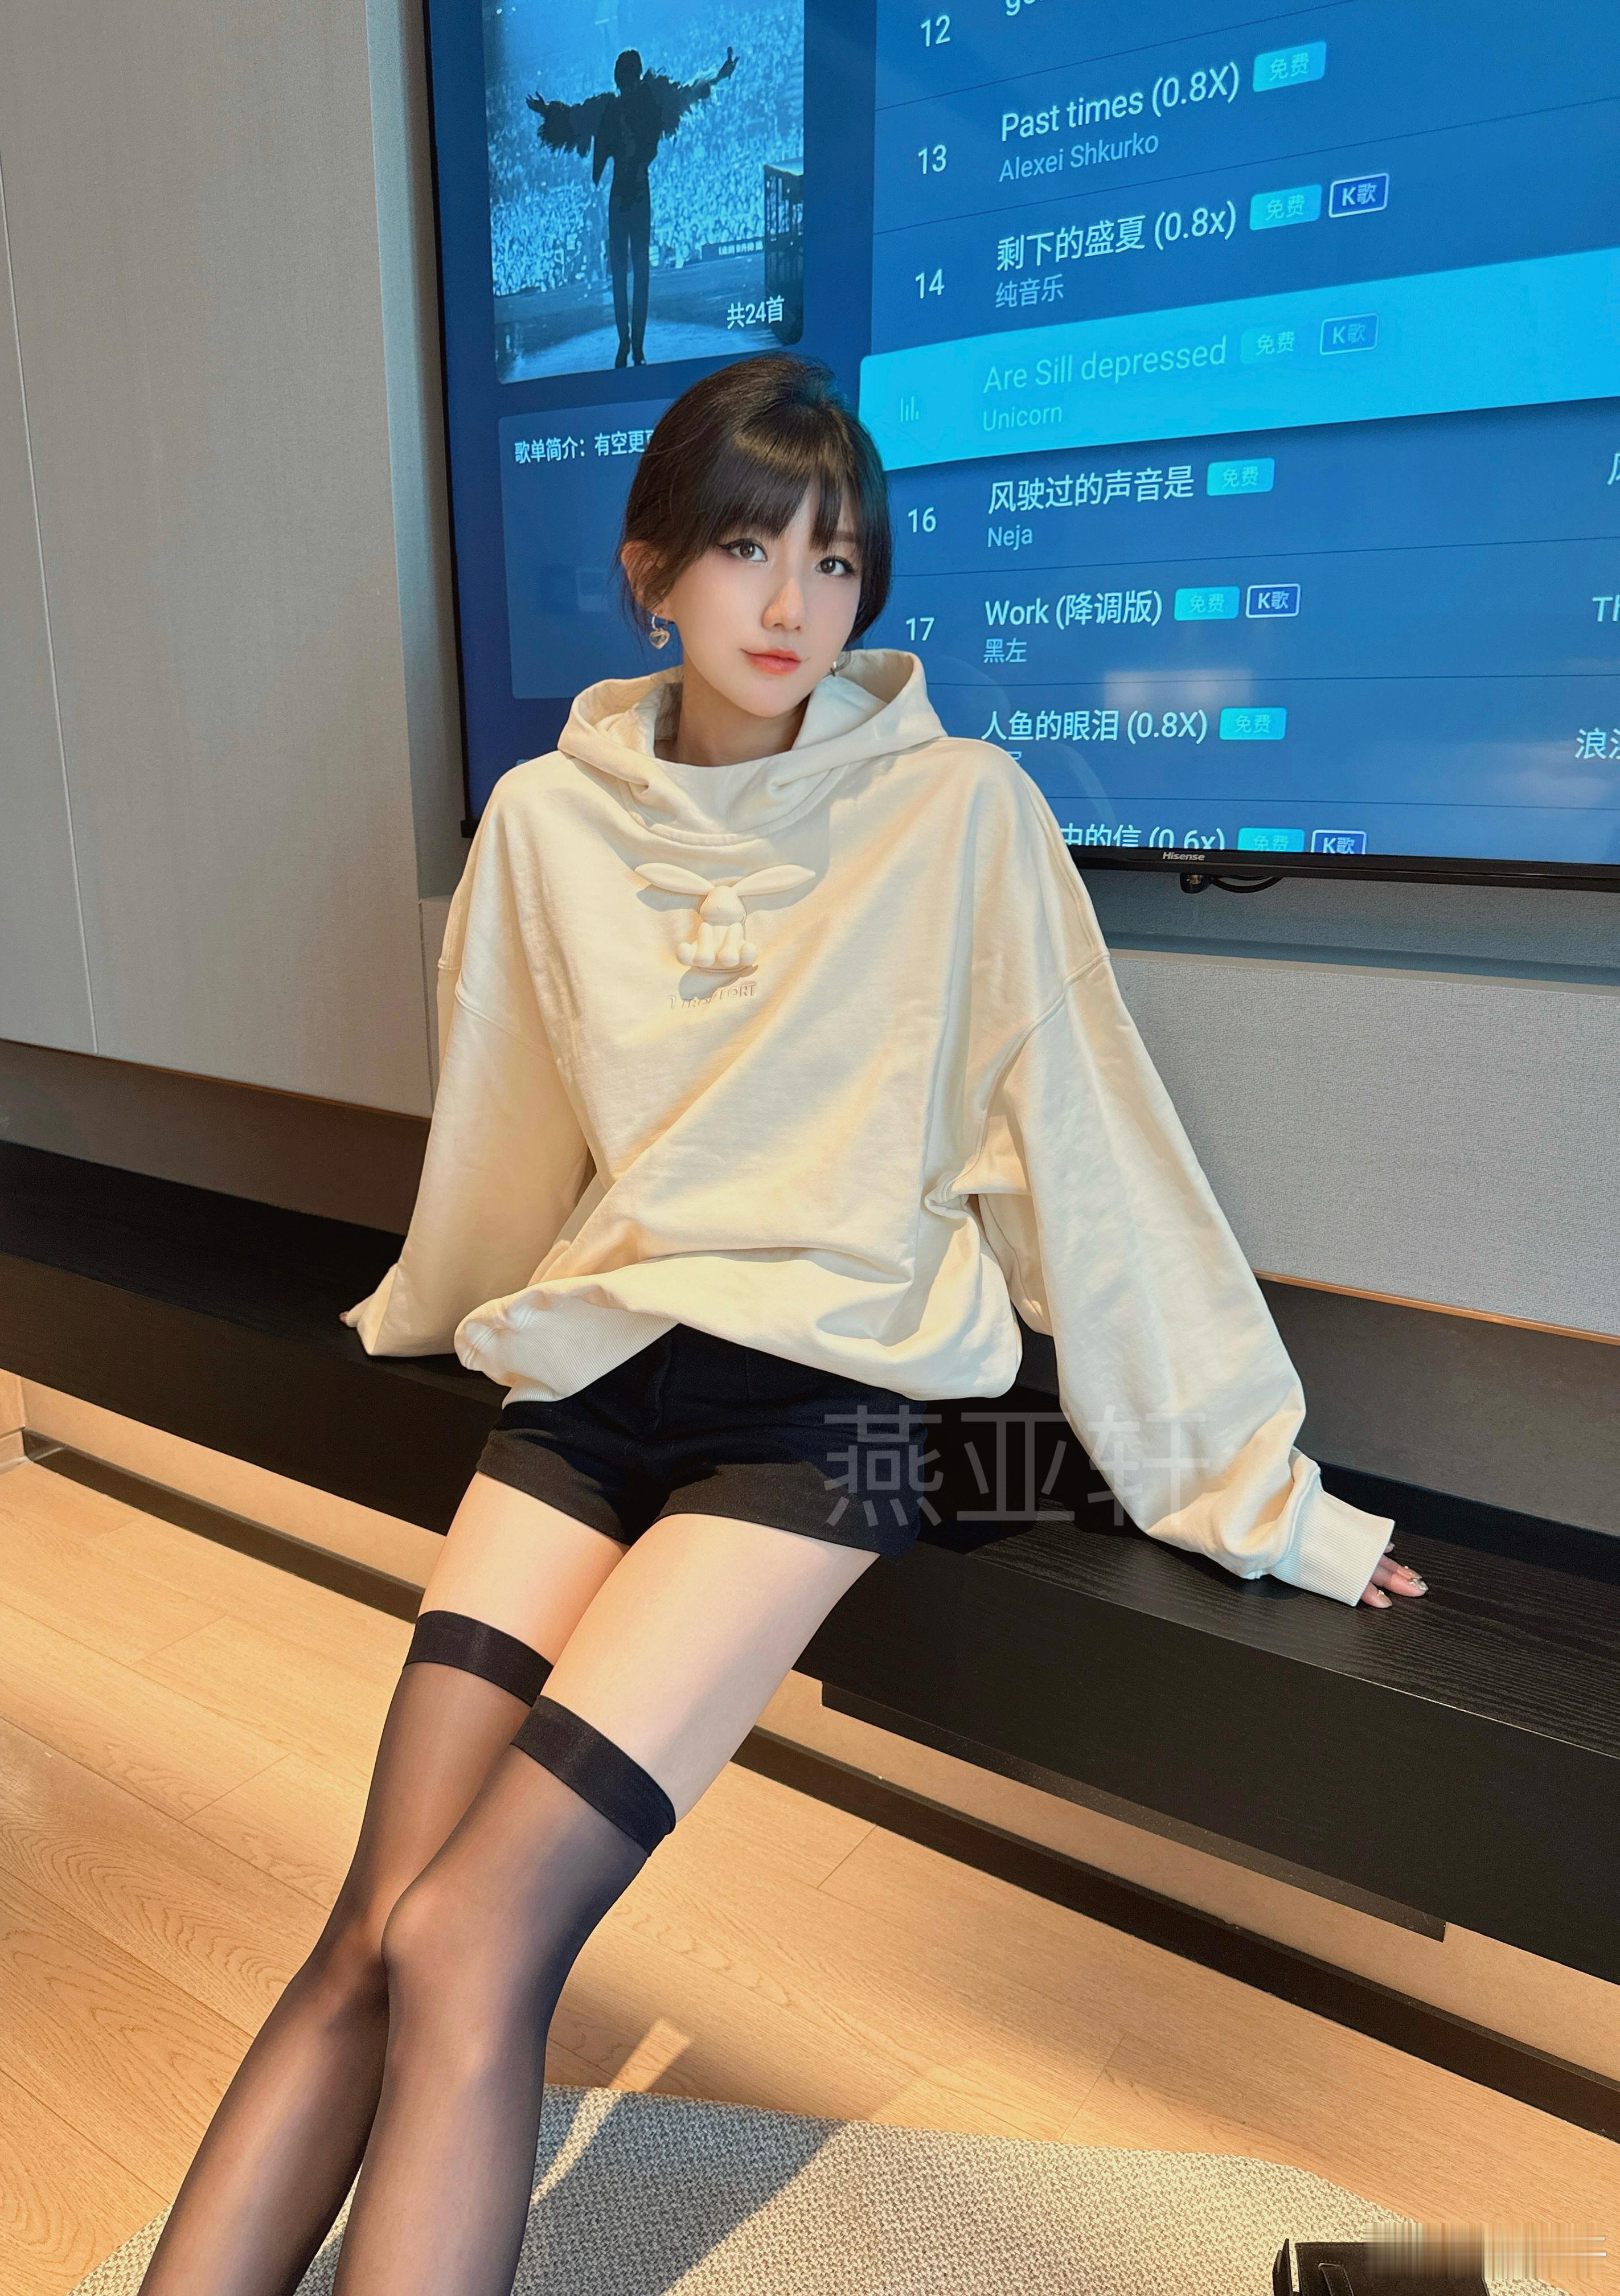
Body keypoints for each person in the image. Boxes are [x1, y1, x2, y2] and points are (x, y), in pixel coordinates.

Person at [134, 353, 1426, 2295]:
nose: (792, 602)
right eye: (749, 548)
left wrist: (1264, 1496)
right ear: (651, 567)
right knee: (370, 1931)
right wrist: (431, 1311)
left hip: (820, 1421)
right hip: (591, 1395)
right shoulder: (545, 822)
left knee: (475, 1937)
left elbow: (1094, 1154)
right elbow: (507, 1132)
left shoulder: (961, 812)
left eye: (834, 562)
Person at [527, 43, 738, 366]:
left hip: (633, 193)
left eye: (627, 79)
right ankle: (629, 341)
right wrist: (547, 111)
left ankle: (633, 342)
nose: (626, 85)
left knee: (635, 271)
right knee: (627, 272)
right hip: (629, 194)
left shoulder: (645, 100)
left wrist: (719, 77)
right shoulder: (615, 106)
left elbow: (687, 94)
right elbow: (574, 117)